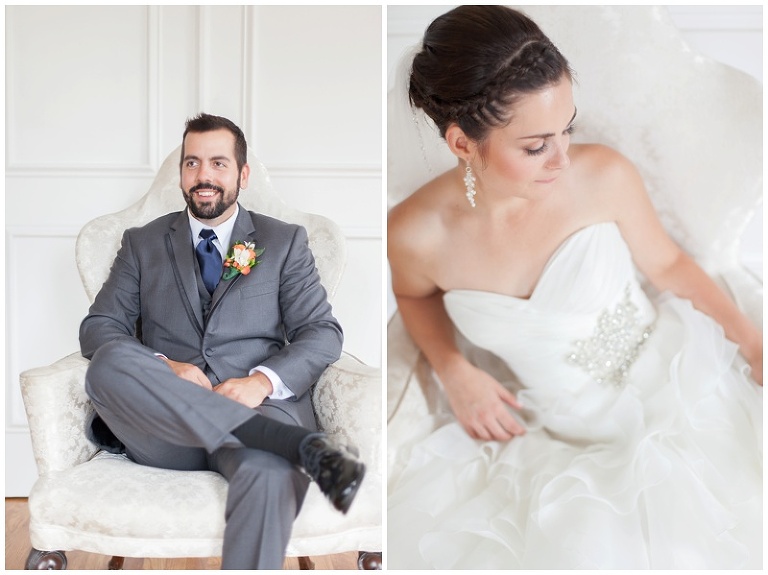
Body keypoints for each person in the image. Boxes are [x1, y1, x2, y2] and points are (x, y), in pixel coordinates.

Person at [387, 5, 762, 570]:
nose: (563, 158)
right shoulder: (415, 234)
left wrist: (751, 344)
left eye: (569, 129)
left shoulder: (604, 175)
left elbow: (669, 267)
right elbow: (414, 295)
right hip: (547, 431)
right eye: (537, 146)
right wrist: (454, 369)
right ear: (463, 144)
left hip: (674, 389)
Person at [80, 113, 365, 570]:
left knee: (269, 473)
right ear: (181, 175)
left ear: (242, 174)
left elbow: (321, 333)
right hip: (165, 429)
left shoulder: (284, 240)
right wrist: (166, 370)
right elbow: (98, 328)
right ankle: (289, 443)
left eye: (218, 163)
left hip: (258, 407)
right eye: (192, 164)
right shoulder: (142, 243)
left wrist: (261, 383)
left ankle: (264, 437)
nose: (203, 176)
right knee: (106, 362)